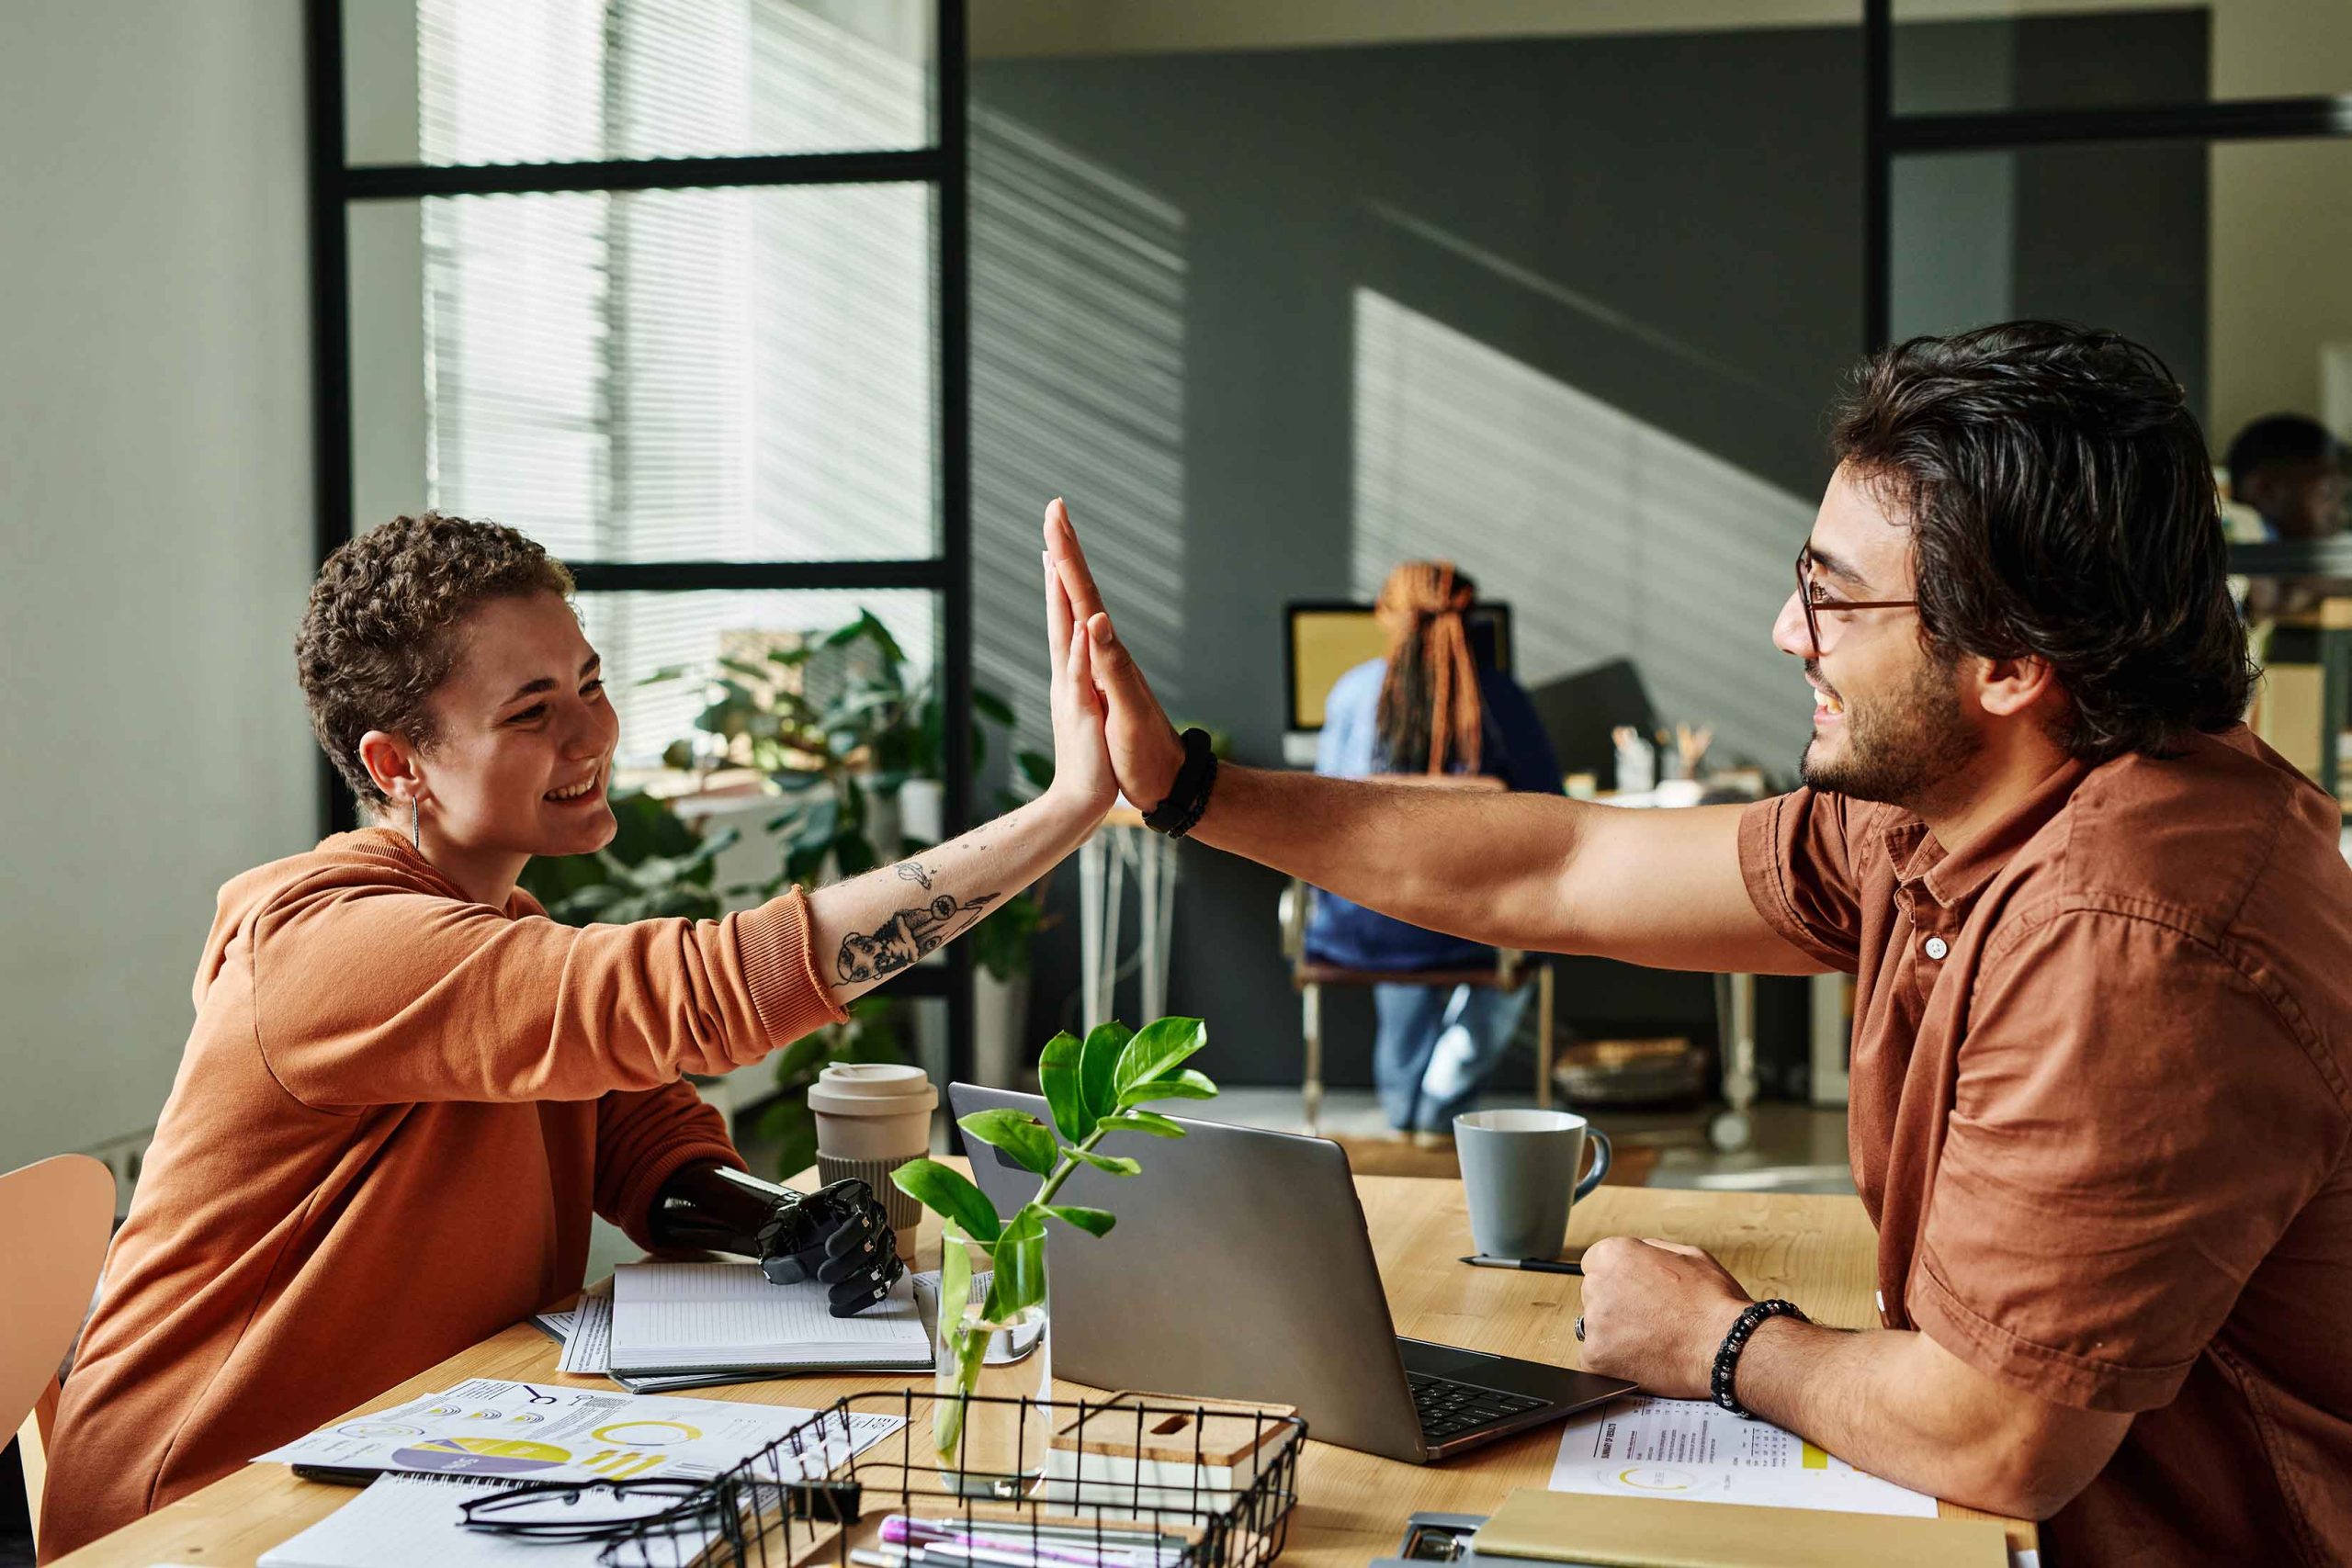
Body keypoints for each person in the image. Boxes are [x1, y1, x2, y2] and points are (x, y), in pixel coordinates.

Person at [1041, 324, 2352, 1564]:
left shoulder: (2133, 935)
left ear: (2011, 660)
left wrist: (1719, 1339)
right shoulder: (1973, 805)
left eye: (1833, 599)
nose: (1791, 633)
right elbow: (1562, 864)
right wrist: (1188, 790)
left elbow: (1993, 1428)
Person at [40, 510, 1115, 1558]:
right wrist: (1066, 806)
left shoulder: (498, 932)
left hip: (419, 1452)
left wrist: (774, 1223)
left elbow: (637, 1141)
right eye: (531, 710)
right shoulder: (337, 945)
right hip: (204, 1505)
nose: (594, 734)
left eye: (591, 684)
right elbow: (708, 990)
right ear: (396, 763)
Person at [1306, 562, 1561, 1137]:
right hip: (1478, 925)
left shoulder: (1351, 692)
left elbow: (1322, 812)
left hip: (1371, 924)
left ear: (1387, 616)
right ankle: (1438, 1111)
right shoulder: (1503, 698)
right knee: (1515, 963)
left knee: (1405, 992)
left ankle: (1404, 1113)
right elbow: (1556, 808)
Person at [2223, 412, 2350, 620]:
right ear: (2265, 488)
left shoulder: (2276, 559)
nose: (2339, 515)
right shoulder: (2240, 527)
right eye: (2327, 494)